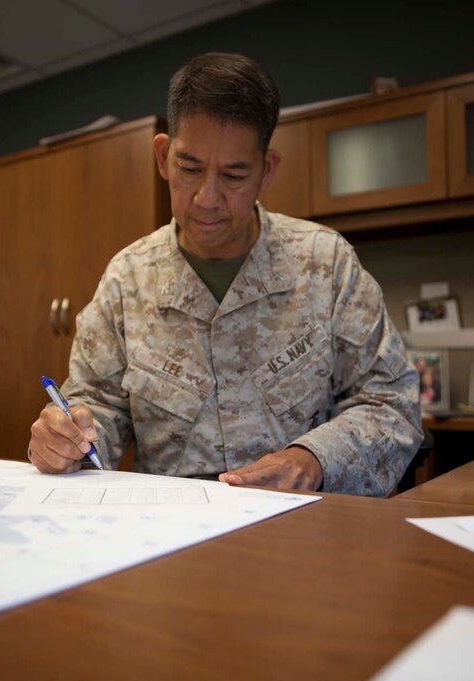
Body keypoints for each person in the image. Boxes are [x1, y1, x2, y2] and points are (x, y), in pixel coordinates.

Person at [29, 52, 422, 496]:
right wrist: (67, 437)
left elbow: (391, 404)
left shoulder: (325, 264)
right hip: (167, 535)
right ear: (163, 156)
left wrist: (312, 460)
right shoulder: (127, 280)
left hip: (300, 529)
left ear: (265, 170)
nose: (206, 198)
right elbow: (96, 406)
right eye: (189, 168)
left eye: (234, 175)